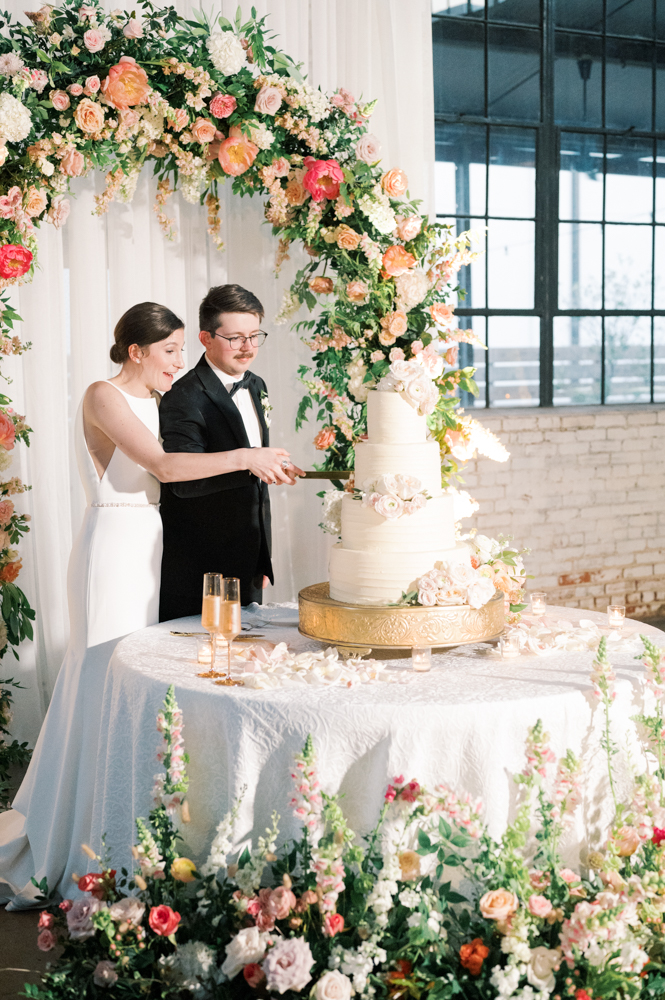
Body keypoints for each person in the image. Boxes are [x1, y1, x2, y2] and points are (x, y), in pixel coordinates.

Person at [0, 301, 295, 909]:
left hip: (154, 544)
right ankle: (76, 834)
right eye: (169, 352)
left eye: (183, 351)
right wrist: (248, 458)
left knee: (140, 684)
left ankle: (126, 826)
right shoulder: (103, 395)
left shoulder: (165, 400)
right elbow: (162, 464)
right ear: (136, 351)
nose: (178, 363)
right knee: (103, 677)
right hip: (112, 545)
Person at [158, 284, 303, 620]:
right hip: (200, 560)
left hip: (248, 556)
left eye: (255, 336)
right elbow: (182, 483)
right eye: (235, 338)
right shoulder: (183, 396)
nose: (248, 348)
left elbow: (254, 483)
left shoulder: (257, 385)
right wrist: (250, 463)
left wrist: (261, 556)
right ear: (206, 338)